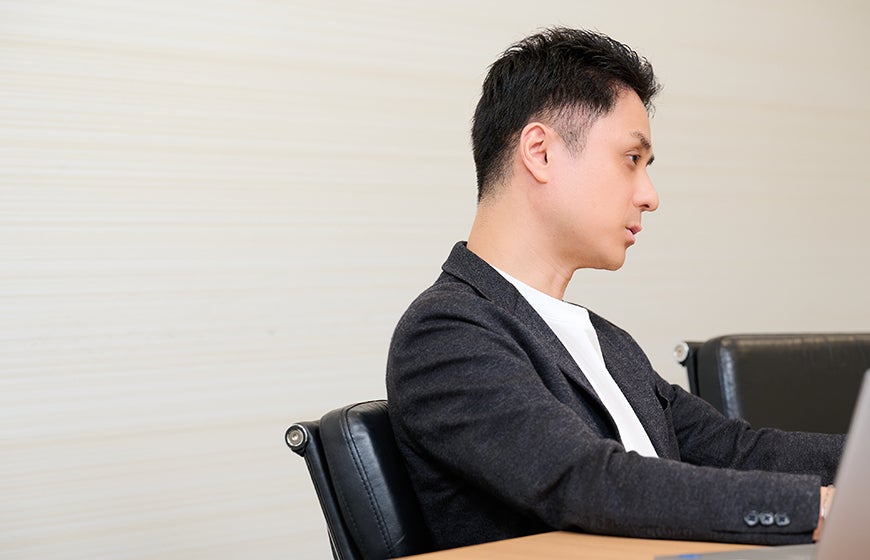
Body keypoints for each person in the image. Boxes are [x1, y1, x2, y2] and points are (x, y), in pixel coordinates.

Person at [385, 27, 843, 552]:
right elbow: (587, 483)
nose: (650, 196)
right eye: (631, 160)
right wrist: (817, 507)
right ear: (540, 152)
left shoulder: (607, 343)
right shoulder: (445, 333)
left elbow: (737, 451)